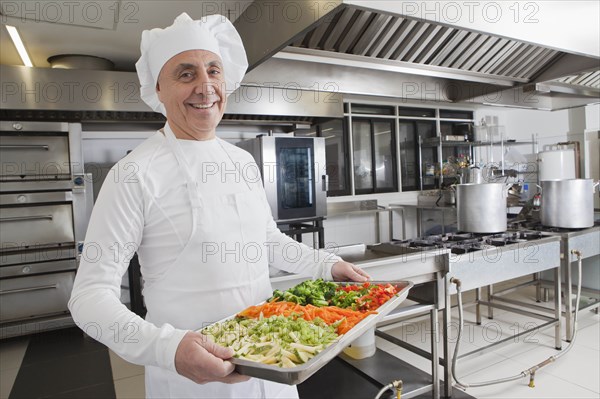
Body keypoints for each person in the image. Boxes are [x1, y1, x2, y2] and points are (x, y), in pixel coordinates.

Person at [68, 12, 370, 399]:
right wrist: (169, 349)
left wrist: (328, 264)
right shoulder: (134, 174)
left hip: (273, 363)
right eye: (186, 74)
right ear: (159, 88)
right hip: (193, 384)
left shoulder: (242, 162)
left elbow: (267, 241)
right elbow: (89, 297)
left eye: (213, 70)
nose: (205, 86)